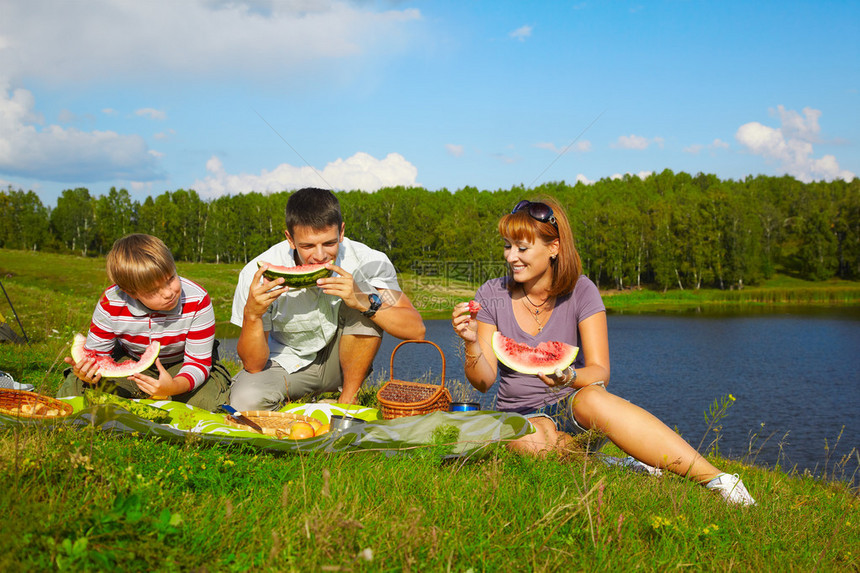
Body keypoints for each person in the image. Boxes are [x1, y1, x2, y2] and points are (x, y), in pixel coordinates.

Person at [451, 197, 756, 505]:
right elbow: (483, 381)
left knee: (594, 396)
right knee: (528, 441)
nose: (512, 257)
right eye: (507, 246)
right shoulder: (492, 293)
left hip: (576, 410)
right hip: (521, 417)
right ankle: (610, 463)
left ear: (553, 247)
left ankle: (719, 480)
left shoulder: (582, 290)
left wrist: (568, 376)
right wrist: (471, 342)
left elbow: (600, 370)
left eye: (522, 247)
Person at [229, 187, 425, 409]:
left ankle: (347, 401)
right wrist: (252, 315)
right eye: (308, 246)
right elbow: (253, 365)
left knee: (365, 295)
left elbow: (416, 330)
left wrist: (362, 300)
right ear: (290, 239)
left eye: (329, 243)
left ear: (341, 232)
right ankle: (310, 411)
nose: (320, 255)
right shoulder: (255, 274)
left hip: (344, 365)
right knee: (244, 402)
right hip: (286, 362)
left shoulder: (369, 262)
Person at [58, 234, 231, 411]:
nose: (168, 293)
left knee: (207, 403)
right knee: (73, 392)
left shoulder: (197, 299)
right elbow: (97, 356)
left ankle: (152, 399)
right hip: (132, 361)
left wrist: (174, 386)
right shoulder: (111, 301)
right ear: (131, 292)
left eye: (171, 278)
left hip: (182, 364)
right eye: (153, 290)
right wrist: (89, 373)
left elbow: (198, 363)